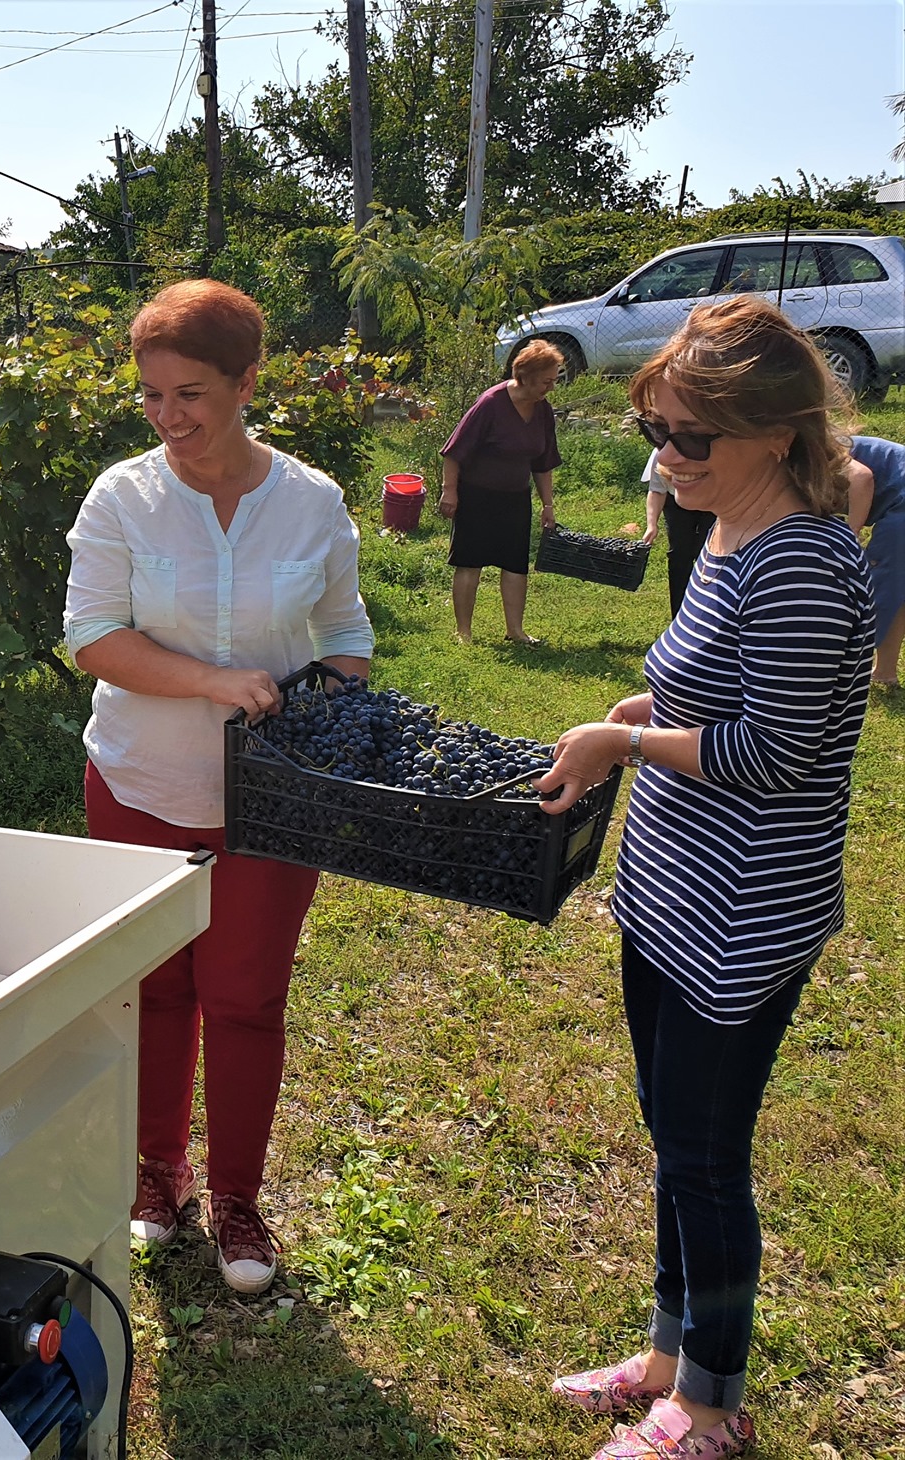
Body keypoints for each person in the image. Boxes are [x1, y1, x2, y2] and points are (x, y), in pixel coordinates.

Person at [538, 295, 873, 1460]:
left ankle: (712, 1407)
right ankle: (666, 1357)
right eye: (655, 429)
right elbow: (719, 690)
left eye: (690, 435)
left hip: (740, 912)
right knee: (672, 1136)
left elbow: (774, 752)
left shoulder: (796, 561)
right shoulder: (729, 527)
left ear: (775, 432)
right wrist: (640, 705)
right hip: (673, 895)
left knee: (703, 1154)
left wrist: (622, 740)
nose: (665, 455)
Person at [63, 279, 374, 1295]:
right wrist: (211, 681)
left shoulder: (311, 503)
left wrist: (325, 711)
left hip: (270, 800)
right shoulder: (123, 496)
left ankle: (239, 1196)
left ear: (246, 383)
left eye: (190, 393)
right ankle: (158, 1174)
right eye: (151, 395)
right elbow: (91, 637)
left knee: (245, 997)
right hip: (139, 782)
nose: (168, 416)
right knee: (153, 985)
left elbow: (344, 633)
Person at [439, 339, 563, 644]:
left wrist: (547, 505)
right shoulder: (491, 403)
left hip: (516, 498)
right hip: (477, 495)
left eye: (553, 381)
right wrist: (449, 492)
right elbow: (454, 453)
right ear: (527, 376)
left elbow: (543, 462)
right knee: (470, 562)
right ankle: (463, 632)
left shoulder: (543, 410)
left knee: (515, 564)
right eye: (546, 381)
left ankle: (515, 631)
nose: (551, 387)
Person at [847, 434, 905, 688]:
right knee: (895, 587)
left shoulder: (814, 446)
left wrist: (849, 537)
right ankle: (885, 672)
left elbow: (861, 478)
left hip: (901, 499)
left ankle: (845, 670)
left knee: (881, 586)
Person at [639, 450, 715, 617]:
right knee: (679, 555)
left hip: (711, 502)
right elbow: (657, 491)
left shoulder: (711, 453)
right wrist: (651, 525)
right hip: (676, 504)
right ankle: (679, 615)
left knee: (708, 553)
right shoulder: (661, 456)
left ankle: (709, 612)